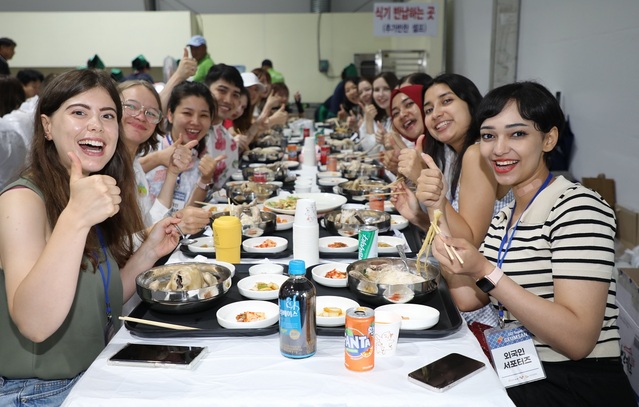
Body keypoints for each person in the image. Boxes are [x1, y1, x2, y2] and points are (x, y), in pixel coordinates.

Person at [431, 81, 635, 406]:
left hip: (575, 384)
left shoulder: (578, 206)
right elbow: (468, 298)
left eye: (517, 134)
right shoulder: (505, 217)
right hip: (524, 374)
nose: (499, 149)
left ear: (549, 139)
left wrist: (486, 270)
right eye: (488, 135)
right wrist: (435, 207)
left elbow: (578, 340)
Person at [0, 69, 180, 405]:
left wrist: (148, 254)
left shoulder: (85, 192)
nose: (96, 125)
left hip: (93, 373)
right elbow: (35, 324)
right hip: (38, 393)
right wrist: (76, 219)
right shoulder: (21, 200)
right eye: (79, 112)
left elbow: (97, 300)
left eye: (108, 115)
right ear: (47, 126)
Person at [143, 81, 223, 232]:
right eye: (187, 113)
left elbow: (188, 216)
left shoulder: (197, 159)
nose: (195, 122)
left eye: (204, 115)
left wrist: (204, 180)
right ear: (170, 115)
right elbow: (123, 173)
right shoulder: (147, 147)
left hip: (173, 241)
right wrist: (158, 158)